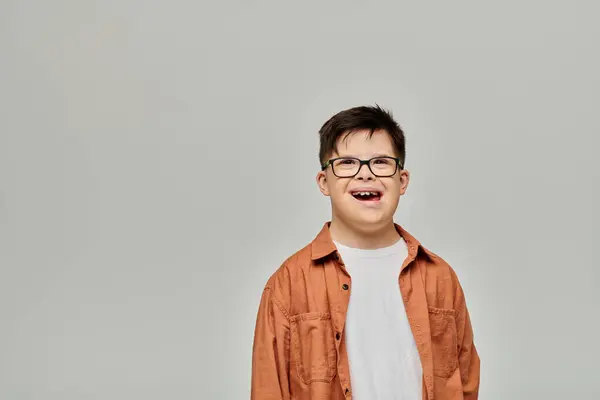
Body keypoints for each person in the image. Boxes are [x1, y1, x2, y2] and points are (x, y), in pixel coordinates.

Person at [250, 105, 480, 400]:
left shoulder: (440, 279)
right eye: (347, 163)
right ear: (324, 182)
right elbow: (267, 389)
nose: (365, 175)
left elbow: (467, 384)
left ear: (403, 180)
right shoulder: (289, 284)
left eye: (381, 163)